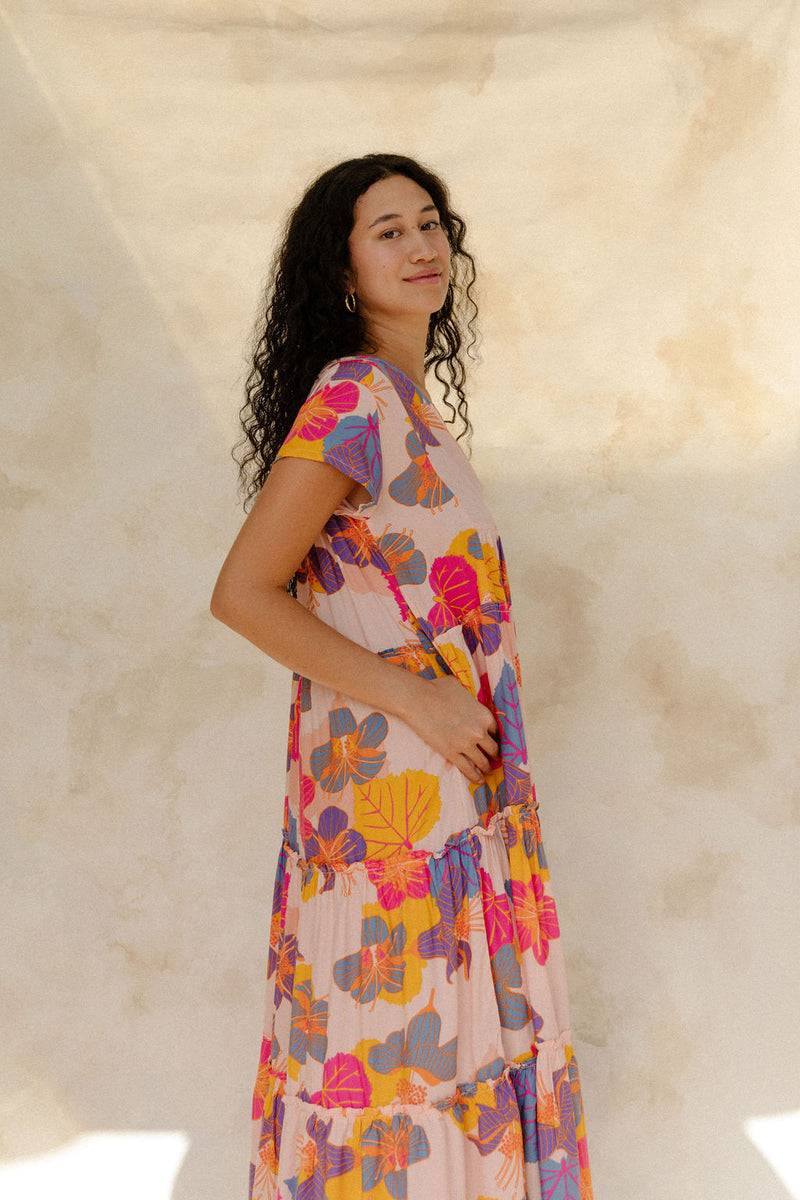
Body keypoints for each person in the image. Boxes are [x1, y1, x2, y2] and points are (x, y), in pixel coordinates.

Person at [211, 153, 593, 1200]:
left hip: (443, 791)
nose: (423, 244)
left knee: (440, 1057)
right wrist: (414, 695)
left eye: (429, 222)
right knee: (399, 1060)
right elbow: (243, 591)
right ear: (340, 272)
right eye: (387, 230)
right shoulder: (351, 396)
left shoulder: (409, 414)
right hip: (391, 797)